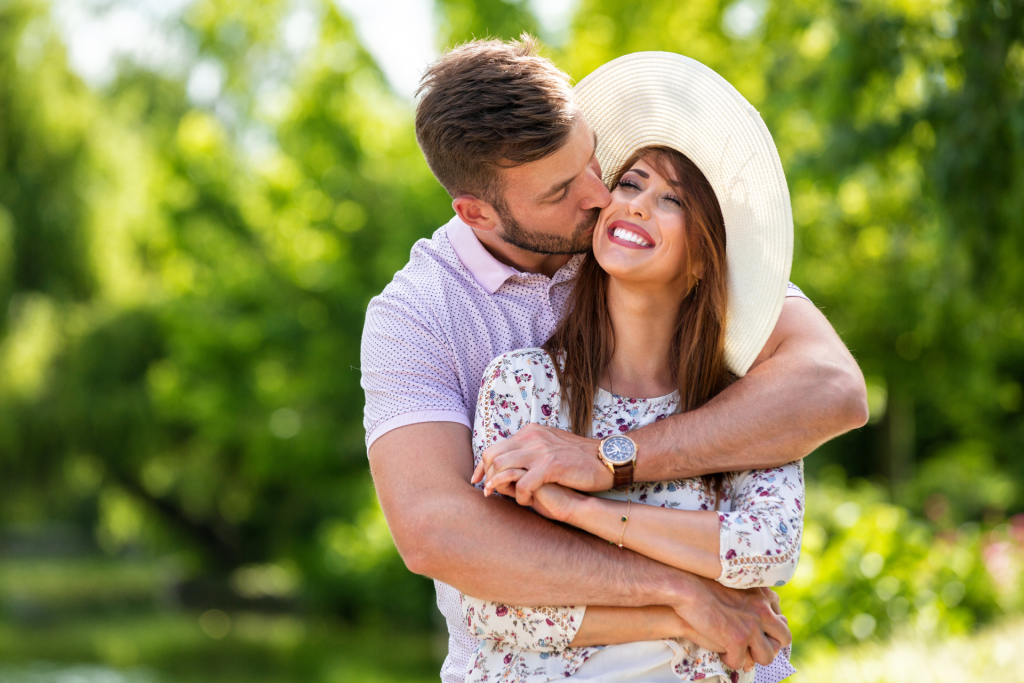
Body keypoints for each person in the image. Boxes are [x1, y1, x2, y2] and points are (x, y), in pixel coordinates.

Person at [361, 37, 868, 683]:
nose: (601, 195)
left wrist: (608, 460)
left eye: (595, 159)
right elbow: (438, 532)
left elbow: (830, 387)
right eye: (561, 191)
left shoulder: (643, 241)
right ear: (477, 212)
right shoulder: (419, 315)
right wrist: (683, 597)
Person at [459, 51, 805, 683]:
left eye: (673, 198)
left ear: (705, 259)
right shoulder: (523, 385)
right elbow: (492, 604)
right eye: (630, 182)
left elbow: (766, 549)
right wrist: (690, 602)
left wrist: (579, 507)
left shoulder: (742, 407)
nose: (638, 204)